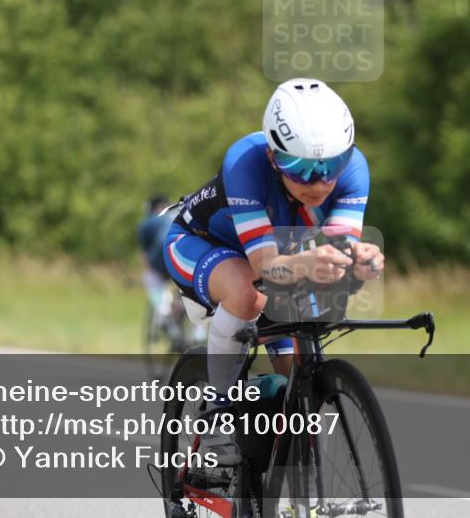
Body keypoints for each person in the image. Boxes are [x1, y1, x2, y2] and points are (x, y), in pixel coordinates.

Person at [162, 78, 385, 464]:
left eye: (331, 165)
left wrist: (357, 259)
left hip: (277, 253)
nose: (318, 182)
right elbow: (263, 266)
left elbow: (332, 249)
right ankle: (218, 415)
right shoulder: (244, 162)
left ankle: (296, 473)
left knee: (299, 379)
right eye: (298, 167)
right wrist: (315, 258)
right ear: (272, 156)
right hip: (201, 243)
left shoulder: (355, 171)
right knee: (248, 293)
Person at [137, 194, 183, 343]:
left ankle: (163, 315)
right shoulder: (179, 214)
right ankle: (198, 331)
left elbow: (145, 257)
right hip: (185, 254)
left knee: (151, 277)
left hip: (161, 255)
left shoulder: (147, 222)